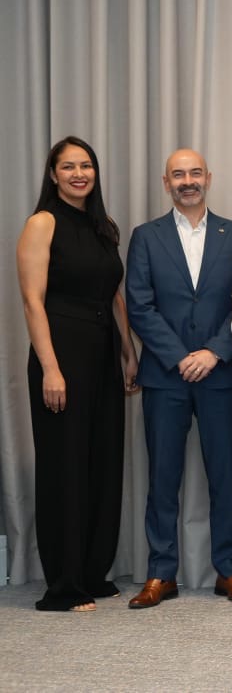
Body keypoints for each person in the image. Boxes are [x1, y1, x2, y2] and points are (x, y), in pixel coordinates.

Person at [125, 149, 232, 608]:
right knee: (163, 478)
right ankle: (161, 573)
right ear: (166, 182)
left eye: (195, 172)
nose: (187, 181)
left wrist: (214, 352)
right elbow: (139, 305)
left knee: (224, 477)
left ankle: (229, 571)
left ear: (208, 178)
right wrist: (180, 357)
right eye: (178, 174)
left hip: (220, 376)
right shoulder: (146, 237)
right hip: (166, 377)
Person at [16, 136, 140, 612]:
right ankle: (64, 585)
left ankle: (91, 572)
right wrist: (50, 368)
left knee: (102, 463)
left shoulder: (103, 226)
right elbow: (32, 301)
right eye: (68, 166)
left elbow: (114, 294)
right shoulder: (42, 223)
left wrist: (128, 352)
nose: (78, 174)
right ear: (53, 175)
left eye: (85, 165)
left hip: (103, 352)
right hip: (62, 352)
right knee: (65, 467)